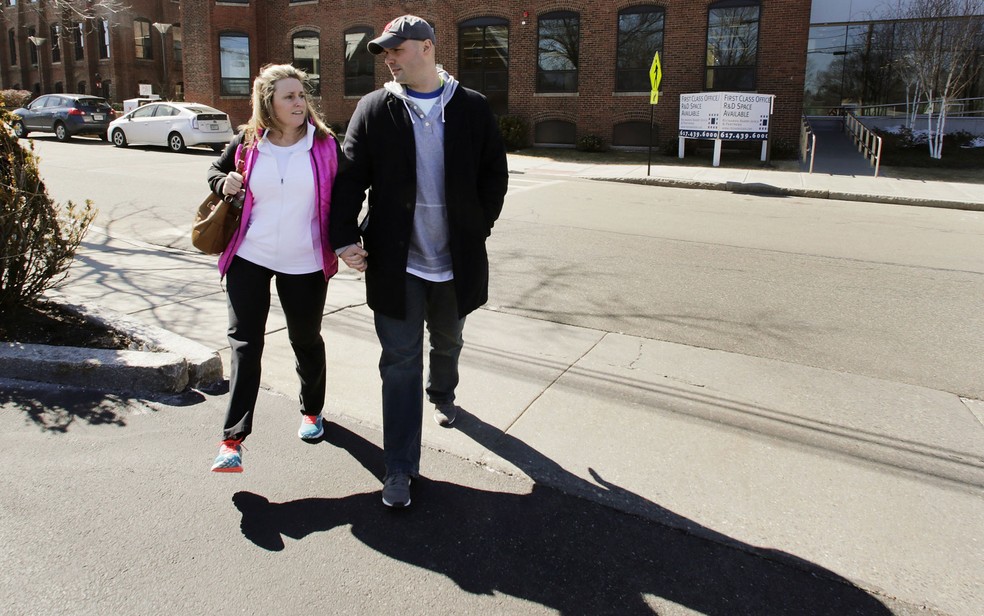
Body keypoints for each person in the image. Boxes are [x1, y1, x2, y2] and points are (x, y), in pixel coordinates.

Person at [330, 15, 509, 507]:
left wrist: (478, 226)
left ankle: (443, 390)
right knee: (399, 361)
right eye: (384, 52)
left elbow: (495, 174)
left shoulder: (471, 107)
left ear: (427, 48)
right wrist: (344, 238)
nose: (389, 58)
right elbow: (348, 180)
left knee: (448, 337)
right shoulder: (374, 109)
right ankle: (400, 467)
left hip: (456, 261)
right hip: (396, 262)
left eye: (397, 49)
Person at [207, 63, 341, 473]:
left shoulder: (324, 145)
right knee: (246, 345)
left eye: (301, 95)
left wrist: (352, 240)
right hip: (250, 256)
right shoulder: (248, 143)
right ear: (269, 104)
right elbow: (215, 171)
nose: (299, 102)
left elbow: (348, 195)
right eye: (289, 96)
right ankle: (232, 440)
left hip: (304, 260)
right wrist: (222, 182)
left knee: (305, 339)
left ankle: (312, 410)